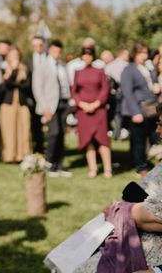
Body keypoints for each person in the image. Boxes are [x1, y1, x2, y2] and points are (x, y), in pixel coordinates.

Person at [74, 116, 162, 273]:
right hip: (129, 241)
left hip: (149, 255)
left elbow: (155, 215)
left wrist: (122, 209)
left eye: (161, 124)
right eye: (158, 124)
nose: (157, 130)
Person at [33, 39, 73, 177]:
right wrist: (45, 107)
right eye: (55, 51)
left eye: (60, 51)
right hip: (50, 105)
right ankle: (49, 163)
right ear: (49, 50)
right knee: (53, 134)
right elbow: (37, 88)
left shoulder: (62, 65)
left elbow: (66, 84)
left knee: (61, 134)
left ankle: (59, 164)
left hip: (64, 103)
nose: (57, 54)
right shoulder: (42, 66)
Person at [71, 47, 112, 178]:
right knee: (88, 140)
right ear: (82, 56)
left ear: (93, 56)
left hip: (98, 110)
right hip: (83, 112)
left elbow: (105, 90)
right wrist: (82, 104)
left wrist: (96, 104)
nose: (87, 57)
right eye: (84, 55)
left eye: (89, 55)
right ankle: (93, 168)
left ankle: (107, 169)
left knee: (102, 140)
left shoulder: (100, 71)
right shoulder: (78, 72)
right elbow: (74, 91)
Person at [121, 42, 160, 176]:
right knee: (138, 140)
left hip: (151, 108)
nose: (143, 55)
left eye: (145, 52)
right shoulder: (129, 70)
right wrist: (135, 112)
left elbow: (150, 84)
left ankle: (145, 162)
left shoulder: (147, 68)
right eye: (141, 53)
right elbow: (127, 92)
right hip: (138, 109)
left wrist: (155, 87)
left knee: (150, 138)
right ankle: (140, 166)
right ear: (135, 54)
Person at [0, 46, 32, 163]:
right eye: (12, 56)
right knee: (9, 130)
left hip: (22, 103)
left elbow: (27, 86)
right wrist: (13, 72)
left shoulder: (25, 69)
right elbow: (5, 87)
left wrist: (14, 82)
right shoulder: (3, 69)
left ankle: (23, 155)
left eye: (16, 56)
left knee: (24, 129)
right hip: (8, 104)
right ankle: (9, 155)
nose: (15, 58)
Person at [27, 35, 46, 154]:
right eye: (35, 45)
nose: (37, 47)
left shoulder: (48, 59)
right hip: (32, 98)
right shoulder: (27, 60)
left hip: (48, 97)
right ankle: (36, 149)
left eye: (40, 45)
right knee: (35, 125)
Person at [106, 48, 130, 140]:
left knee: (115, 112)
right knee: (119, 113)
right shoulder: (126, 65)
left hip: (111, 94)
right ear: (123, 54)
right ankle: (118, 133)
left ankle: (116, 131)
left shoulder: (110, 65)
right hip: (122, 92)